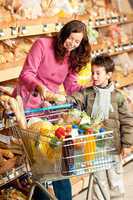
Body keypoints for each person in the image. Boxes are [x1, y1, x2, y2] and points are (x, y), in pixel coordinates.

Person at [12, 20, 91, 200]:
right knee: (43, 160)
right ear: (64, 33)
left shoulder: (71, 57)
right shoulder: (42, 44)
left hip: (48, 111)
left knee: (54, 159)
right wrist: (41, 88)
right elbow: (26, 74)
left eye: (77, 42)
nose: (72, 44)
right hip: (28, 107)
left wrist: (85, 93)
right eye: (70, 38)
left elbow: (70, 85)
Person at [67, 53, 133, 200]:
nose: (94, 76)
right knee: (98, 182)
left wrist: (127, 144)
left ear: (108, 75)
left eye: (98, 73)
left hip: (113, 147)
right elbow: (74, 99)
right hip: (94, 148)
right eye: (93, 73)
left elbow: (127, 121)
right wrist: (62, 100)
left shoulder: (118, 96)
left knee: (115, 181)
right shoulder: (87, 93)